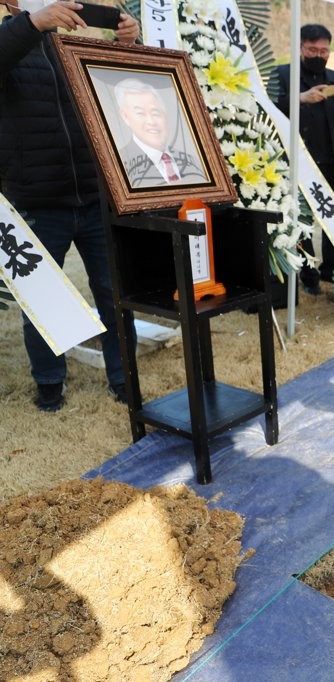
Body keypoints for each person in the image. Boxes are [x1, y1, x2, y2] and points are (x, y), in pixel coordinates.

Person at [0, 0, 139, 411]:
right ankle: (49, 382)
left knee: (114, 293)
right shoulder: (11, 42)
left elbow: (120, 89)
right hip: (36, 200)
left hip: (95, 196)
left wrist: (127, 43)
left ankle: (123, 377)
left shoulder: (71, 46)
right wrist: (32, 23)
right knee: (41, 299)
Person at [273, 23, 334, 295]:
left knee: (332, 218)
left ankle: (331, 271)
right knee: (303, 223)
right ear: (300, 48)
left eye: (324, 50)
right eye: (312, 49)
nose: (319, 54)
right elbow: (270, 108)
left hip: (331, 163)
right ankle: (308, 278)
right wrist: (300, 98)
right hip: (298, 164)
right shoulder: (283, 74)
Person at [114, 78, 205, 188]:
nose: (151, 122)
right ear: (125, 117)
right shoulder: (118, 164)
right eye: (140, 113)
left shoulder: (194, 162)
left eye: (155, 112)